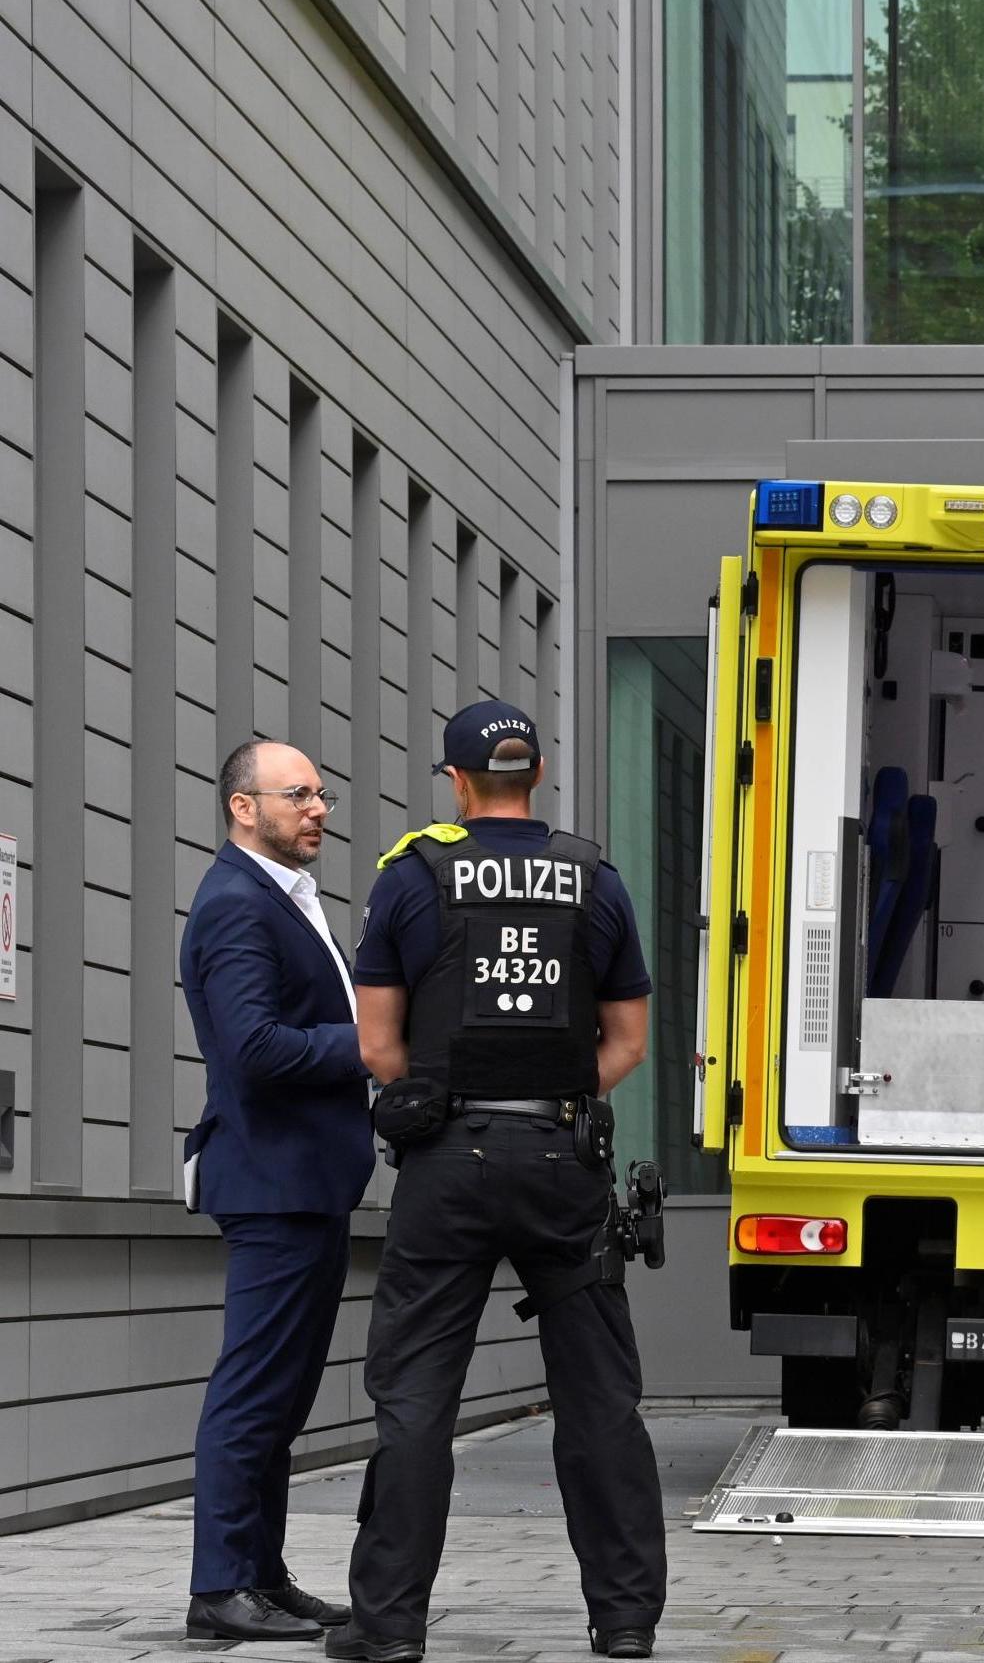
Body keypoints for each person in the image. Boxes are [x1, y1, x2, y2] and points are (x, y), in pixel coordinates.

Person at [327, 702, 662, 1663]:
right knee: (600, 1396)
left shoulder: (410, 876)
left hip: (445, 1165)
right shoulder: (594, 876)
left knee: (416, 1394)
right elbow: (629, 1041)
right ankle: (627, 1618)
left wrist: (444, 1100)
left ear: (457, 781)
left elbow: (377, 1043)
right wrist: (551, 1090)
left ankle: (389, 1627)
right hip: (564, 1163)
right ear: (539, 771)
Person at [180, 742, 369, 1641]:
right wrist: (370, 1044)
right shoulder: (234, 906)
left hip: (310, 1180)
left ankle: (261, 1573)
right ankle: (220, 1587)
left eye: (321, 794)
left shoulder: (285, 898)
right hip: (271, 1180)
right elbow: (254, 1047)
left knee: (284, 1394)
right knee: (253, 1390)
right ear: (242, 807)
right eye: (298, 795)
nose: (317, 808)